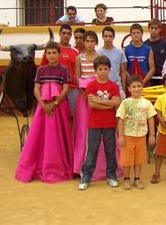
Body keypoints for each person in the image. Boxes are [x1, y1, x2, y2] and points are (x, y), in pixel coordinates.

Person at [15, 42, 73, 183]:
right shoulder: (41, 70)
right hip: (44, 107)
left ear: (59, 54)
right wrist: (43, 104)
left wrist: (54, 103)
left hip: (58, 106)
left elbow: (66, 89)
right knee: (40, 134)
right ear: (45, 55)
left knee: (59, 134)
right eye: (49, 53)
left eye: (54, 53)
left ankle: (58, 164)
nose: (52, 55)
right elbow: (36, 89)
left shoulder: (64, 69)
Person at [78, 55, 121, 190]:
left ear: (109, 69)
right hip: (94, 124)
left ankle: (111, 176)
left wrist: (99, 100)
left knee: (110, 150)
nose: (103, 72)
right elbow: (92, 105)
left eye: (105, 69)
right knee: (92, 150)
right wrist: (107, 104)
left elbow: (117, 102)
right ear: (95, 70)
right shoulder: (91, 85)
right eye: (100, 69)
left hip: (110, 123)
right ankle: (86, 177)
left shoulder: (113, 85)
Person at [73, 30, 105, 178]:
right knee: (83, 130)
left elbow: (103, 76)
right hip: (84, 98)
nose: (90, 44)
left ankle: (101, 166)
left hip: (98, 96)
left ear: (96, 42)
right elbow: (78, 78)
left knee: (100, 127)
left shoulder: (100, 57)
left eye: (92, 41)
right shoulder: (79, 58)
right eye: (87, 41)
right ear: (83, 43)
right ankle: (81, 166)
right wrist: (84, 92)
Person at [117, 75, 156, 190]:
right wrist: (120, 136)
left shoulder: (147, 103)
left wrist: (152, 135)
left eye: (139, 86)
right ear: (129, 88)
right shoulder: (125, 103)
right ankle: (126, 179)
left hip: (141, 136)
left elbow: (151, 119)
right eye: (133, 86)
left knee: (139, 159)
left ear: (143, 87)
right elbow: (120, 119)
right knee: (127, 159)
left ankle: (137, 179)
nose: (137, 89)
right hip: (128, 136)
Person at [40, 24, 79, 116]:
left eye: (68, 34)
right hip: (54, 89)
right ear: (59, 34)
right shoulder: (51, 49)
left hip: (72, 88)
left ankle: (69, 131)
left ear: (71, 35)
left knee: (72, 115)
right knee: (56, 115)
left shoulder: (75, 51)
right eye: (64, 33)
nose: (66, 35)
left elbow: (77, 71)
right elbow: (43, 67)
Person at [98, 26, 127, 99]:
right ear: (102, 37)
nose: (108, 38)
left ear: (113, 37)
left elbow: (123, 72)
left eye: (110, 36)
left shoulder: (120, 53)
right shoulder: (98, 53)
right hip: (102, 88)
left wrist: (123, 89)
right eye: (106, 36)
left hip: (117, 87)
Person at [143, 18, 166, 86]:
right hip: (148, 79)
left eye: (156, 28)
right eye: (152, 28)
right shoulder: (144, 45)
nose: (154, 30)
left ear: (160, 29)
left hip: (162, 78)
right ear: (148, 29)